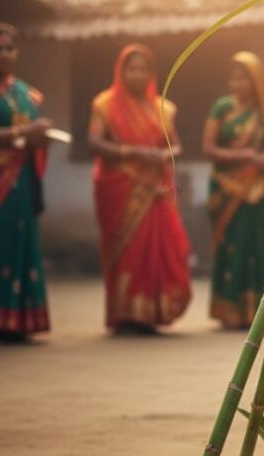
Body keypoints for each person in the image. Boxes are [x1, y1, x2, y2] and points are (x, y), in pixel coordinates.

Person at [88, 43, 191, 333]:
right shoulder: (104, 104)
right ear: (121, 71)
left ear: (151, 73)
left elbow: (177, 144)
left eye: (143, 69)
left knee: (159, 249)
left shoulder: (163, 108)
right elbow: (94, 143)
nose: (138, 74)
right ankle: (125, 314)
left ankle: (153, 312)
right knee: (127, 250)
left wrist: (164, 155)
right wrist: (134, 153)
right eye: (132, 69)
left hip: (156, 189)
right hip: (120, 187)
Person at [202, 51, 264, 328]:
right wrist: (245, 158)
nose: (237, 84)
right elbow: (208, 149)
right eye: (234, 78)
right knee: (233, 245)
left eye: (244, 79)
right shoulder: (222, 109)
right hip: (229, 190)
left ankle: (262, 314)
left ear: (257, 81)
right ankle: (230, 312)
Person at [0, 23, 52, 340]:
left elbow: (31, 137)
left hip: (23, 182)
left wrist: (41, 137)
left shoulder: (26, 93)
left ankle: (18, 322)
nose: (4, 54)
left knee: (21, 244)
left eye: (9, 48)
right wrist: (22, 133)